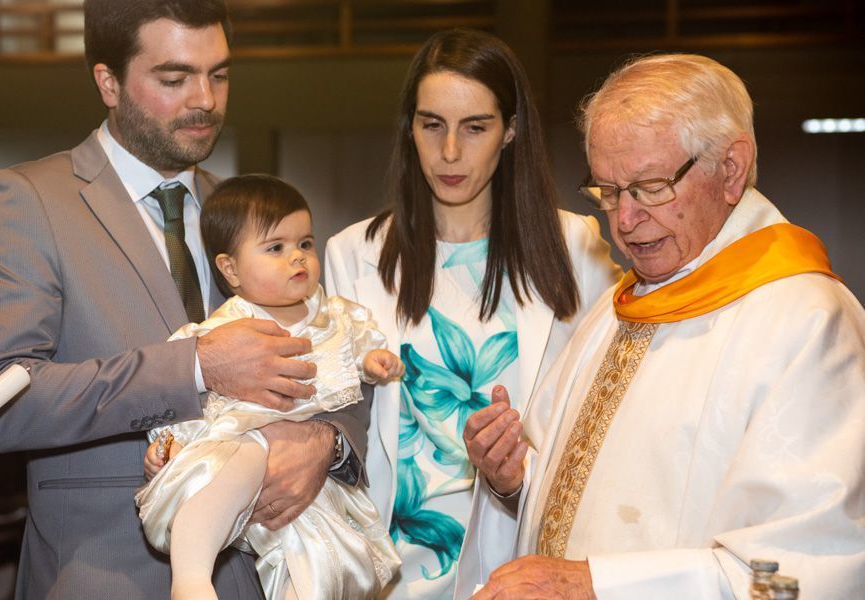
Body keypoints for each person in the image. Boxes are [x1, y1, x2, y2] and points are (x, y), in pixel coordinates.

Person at [0, 1, 369, 597]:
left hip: (257, 573)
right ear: (108, 82)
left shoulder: (245, 212)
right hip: (101, 573)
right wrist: (198, 366)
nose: (205, 98)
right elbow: (0, 400)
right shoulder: (28, 201)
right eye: (175, 79)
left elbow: (334, 345)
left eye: (220, 74)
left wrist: (325, 443)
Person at [463, 53, 865, 599]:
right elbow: (580, 502)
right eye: (608, 191)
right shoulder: (613, 310)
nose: (625, 221)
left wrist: (597, 587)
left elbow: (807, 563)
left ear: (731, 169)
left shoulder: (807, 324)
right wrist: (515, 482)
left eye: (650, 186)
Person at [325, 28, 621, 598]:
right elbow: (336, 422)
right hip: (391, 573)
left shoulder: (574, 247)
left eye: (475, 127)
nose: (450, 153)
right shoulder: (351, 256)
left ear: (510, 131)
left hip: (524, 565)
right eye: (431, 125)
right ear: (409, 127)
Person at [136, 174, 402, 599]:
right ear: (230, 269)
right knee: (235, 466)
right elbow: (187, 391)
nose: (297, 257)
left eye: (305, 244)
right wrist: (167, 445)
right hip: (242, 436)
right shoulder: (226, 328)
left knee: (322, 561)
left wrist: (372, 361)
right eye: (276, 248)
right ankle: (191, 579)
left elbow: (360, 344)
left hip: (314, 479)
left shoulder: (334, 315)